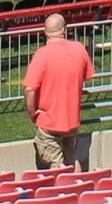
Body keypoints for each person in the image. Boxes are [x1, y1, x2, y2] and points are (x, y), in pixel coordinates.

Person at [23, 13, 94, 169]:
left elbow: (29, 90)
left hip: (49, 122)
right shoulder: (79, 49)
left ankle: (66, 191)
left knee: (56, 167)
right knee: (71, 161)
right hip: (72, 120)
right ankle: (78, 189)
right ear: (65, 29)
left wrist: (32, 113)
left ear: (44, 31)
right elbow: (85, 75)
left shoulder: (42, 55)